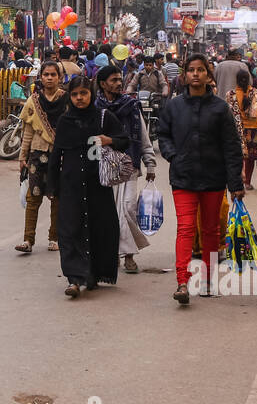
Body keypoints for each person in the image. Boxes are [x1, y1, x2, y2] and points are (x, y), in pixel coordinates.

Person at [157, 54, 245, 305]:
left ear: (209, 75)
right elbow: (163, 135)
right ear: (184, 75)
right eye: (191, 70)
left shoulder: (220, 109)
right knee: (185, 229)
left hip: (213, 179)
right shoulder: (173, 107)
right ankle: (182, 282)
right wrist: (173, 155)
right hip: (183, 178)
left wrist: (235, 184)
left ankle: (207, 279)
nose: (195, 74)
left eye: (201, 70)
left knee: (210, 231)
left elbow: (231, 147)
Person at [48, 75, 128, 298]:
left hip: (97, 185)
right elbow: (57, 154)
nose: (79, 98)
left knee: (98, 228)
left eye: (83, 93)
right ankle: (74, 278)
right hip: (71, 184)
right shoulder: (65, 121)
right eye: (74, 94)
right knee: (69, 230)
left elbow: (124, 139)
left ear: (91, 94)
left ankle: (92, 273)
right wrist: (52, 186)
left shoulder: (103, 117)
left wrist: (108, 140)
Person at [95, 64, 157, 274]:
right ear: (103, 84)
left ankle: (129, 254)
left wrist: (149, 162)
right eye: (113, 80)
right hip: (103, 167)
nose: (119, 83)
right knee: (109, 213)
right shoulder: (94, 108)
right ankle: (113, 254)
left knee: (128, 208)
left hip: (128, 164)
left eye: (119, 79)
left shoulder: (130, 106)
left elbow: (142, 136)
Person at [15, 60, 68, 255]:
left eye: (53, 75)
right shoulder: (33, 101)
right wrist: (22, 156)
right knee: (33, 197)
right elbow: (27, 131)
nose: (49, 78)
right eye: (46, 74)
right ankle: (28, 240)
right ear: (41, 77)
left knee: (57, 197)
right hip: (37, 154)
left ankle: (54, 237)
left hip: (59, 154)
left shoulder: (67, 99)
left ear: (59, 77)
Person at [227, 70, 257, 190]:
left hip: (236, 130)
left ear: (237, 80)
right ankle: (247, 182)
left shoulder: (230, 95)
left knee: (238, 156)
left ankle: (238, 180)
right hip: (253, 131)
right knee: (250, 158)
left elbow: (227, 115)